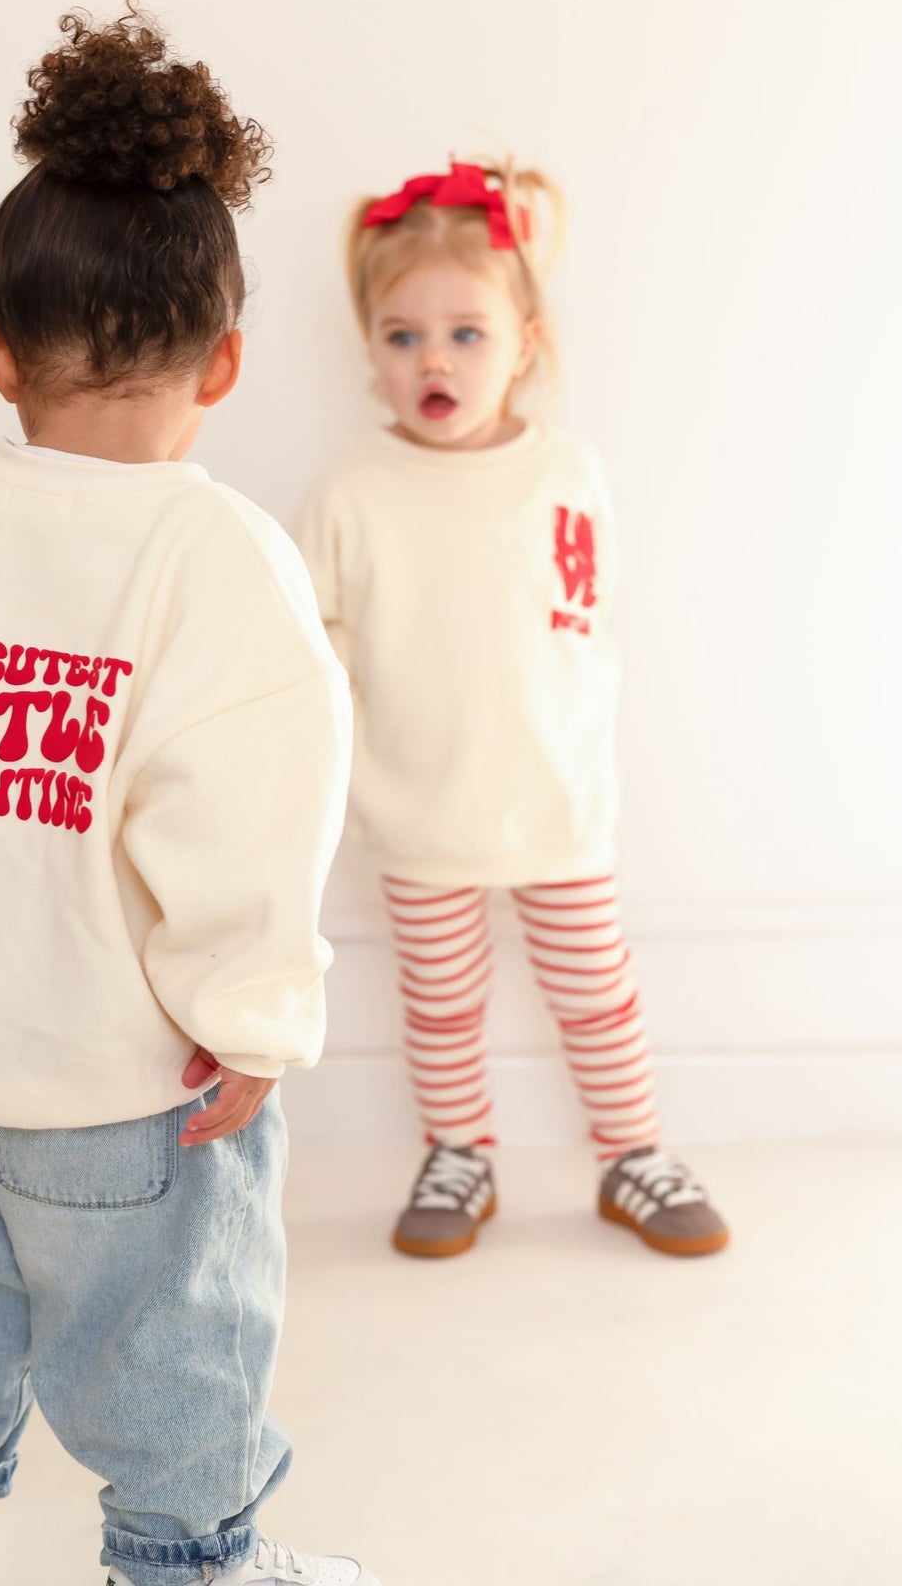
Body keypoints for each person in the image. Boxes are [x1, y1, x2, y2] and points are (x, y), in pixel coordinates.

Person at [0, 0, 378, 1586]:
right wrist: (250, 1017)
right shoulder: (217, 559)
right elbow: (247, 810)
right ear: (224, 361)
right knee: (168, 1325)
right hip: (123, 1078)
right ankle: (187, 1557)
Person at [293, 158, 729, 1262]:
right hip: (417, 806)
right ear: (371, 352)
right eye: (402, 336)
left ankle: (633, 1153)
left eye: (465, 334)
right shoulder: (351, 492)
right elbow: (309, 645)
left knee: (596, 993)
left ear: (524, 344)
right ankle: (459, 1152)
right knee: (440, 1002)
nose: (432, 359)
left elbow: (585, 618)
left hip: (552, 802)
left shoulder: (566, 472)